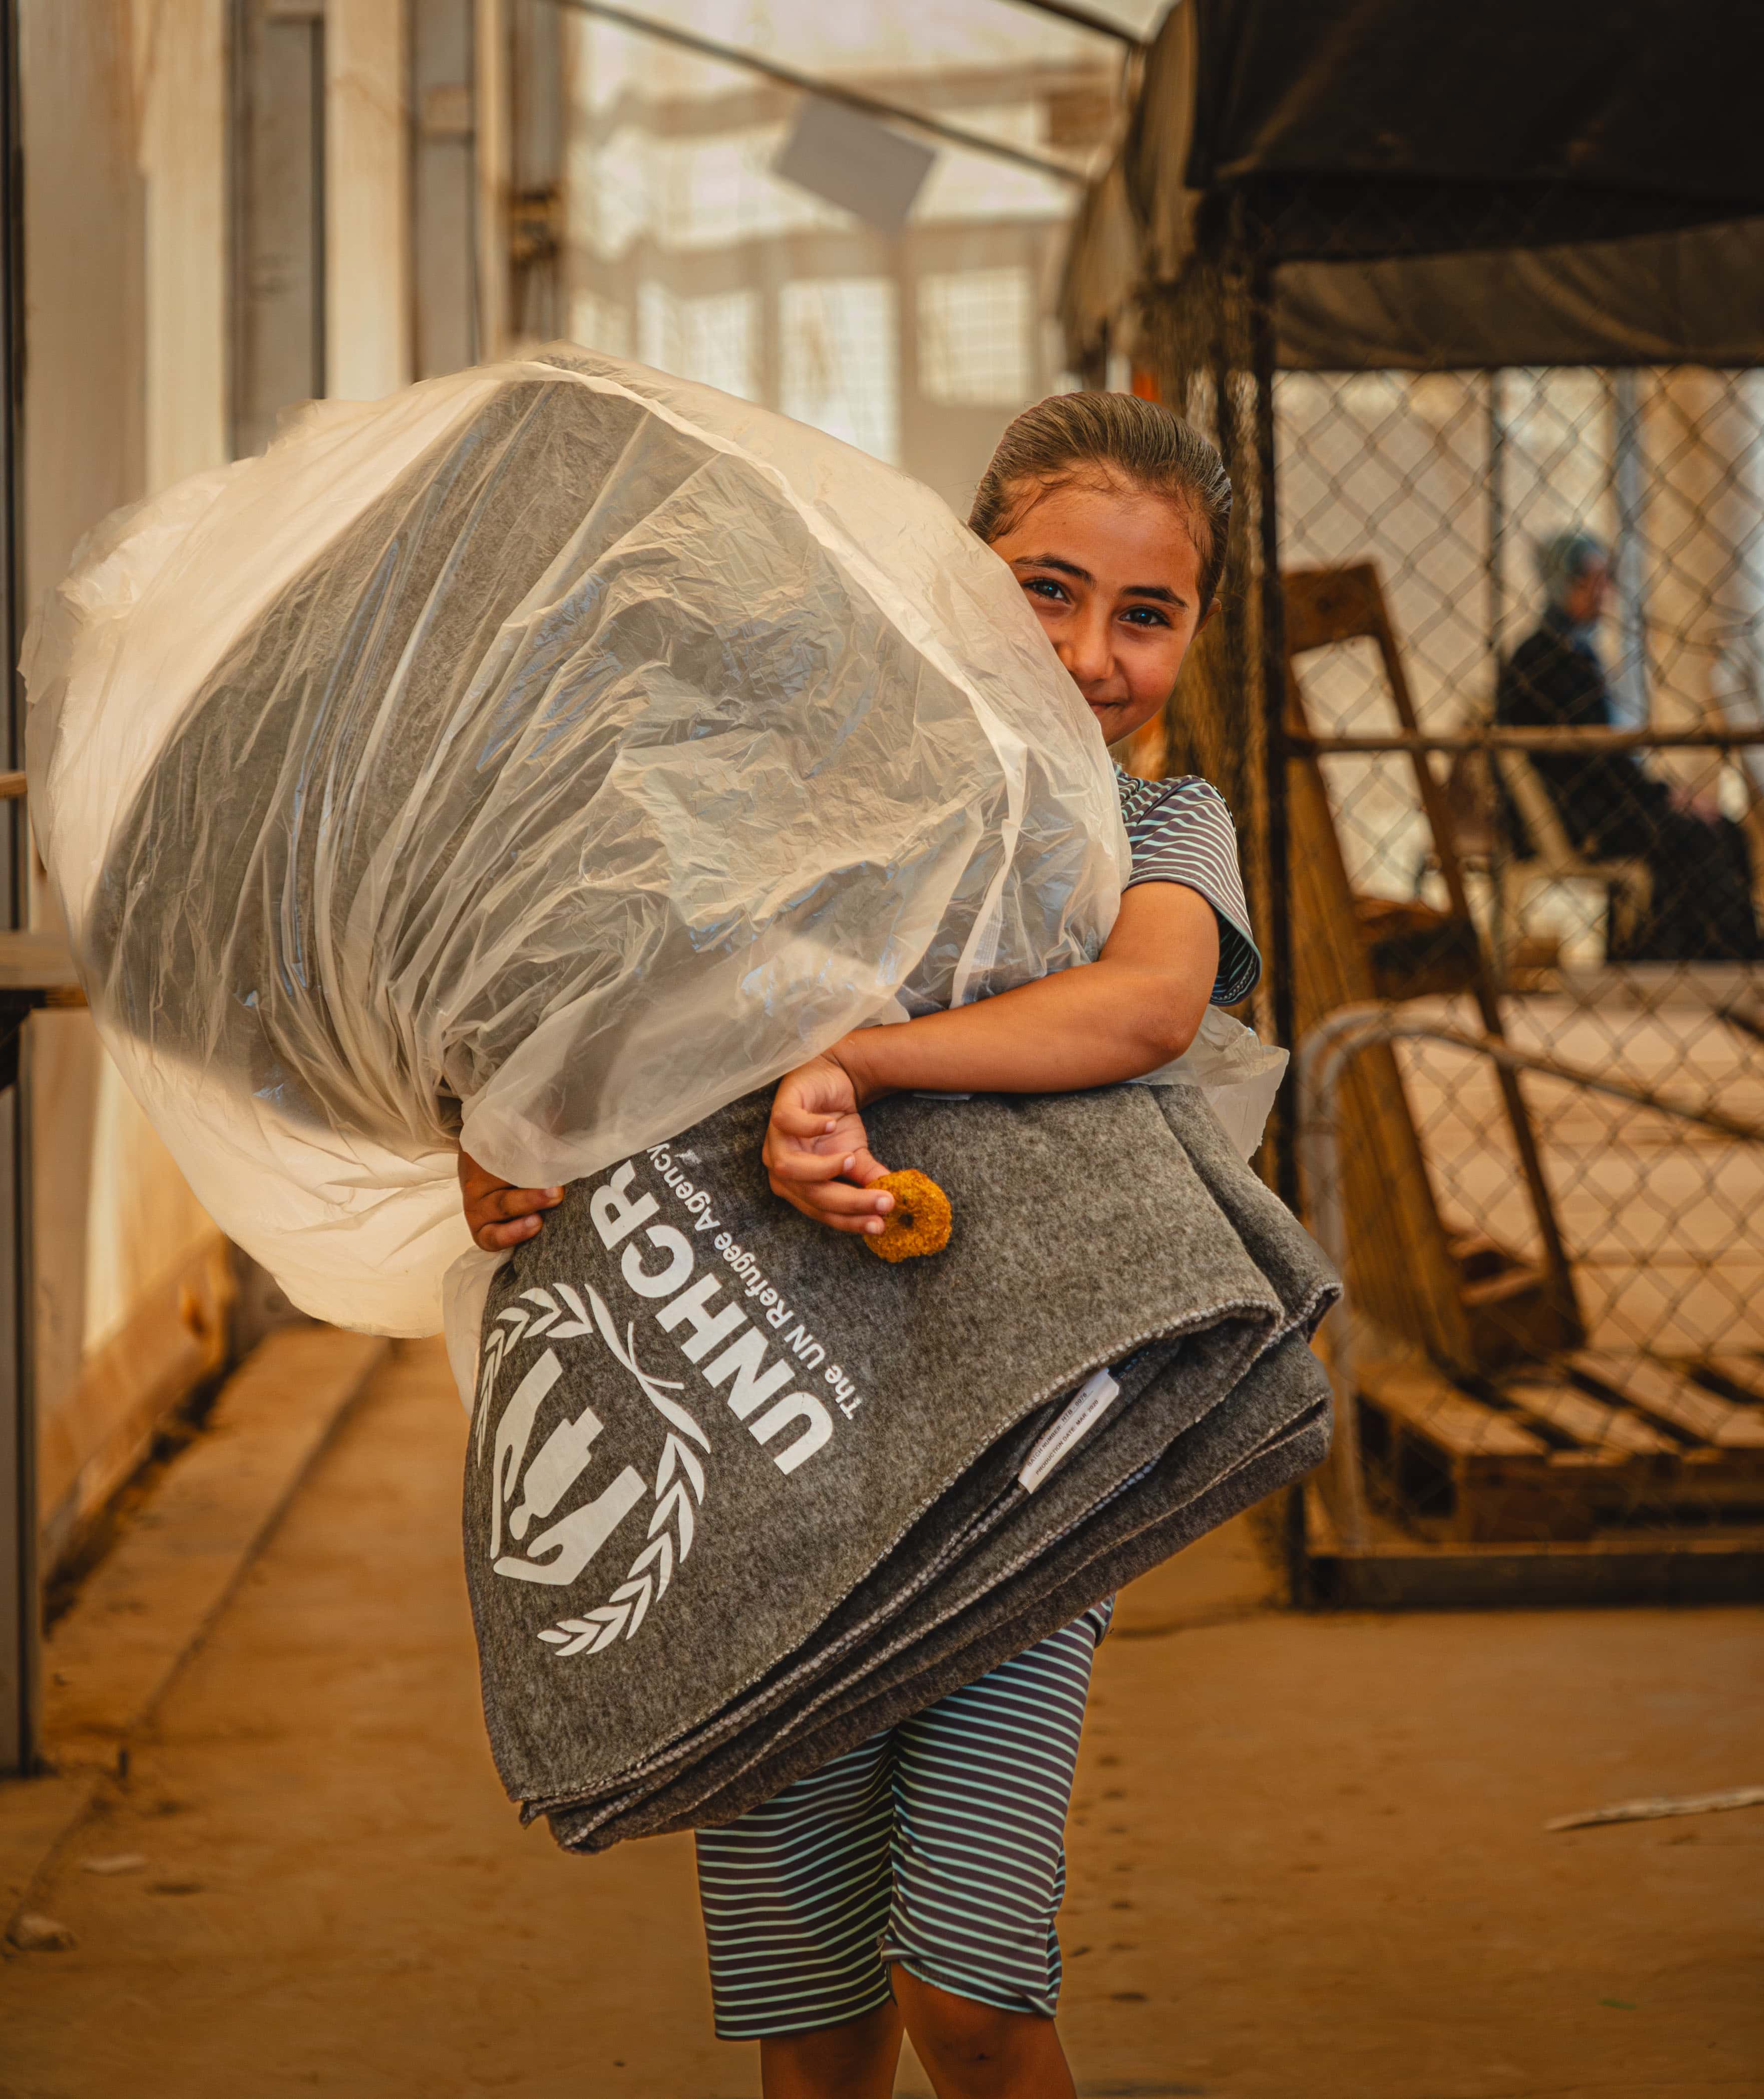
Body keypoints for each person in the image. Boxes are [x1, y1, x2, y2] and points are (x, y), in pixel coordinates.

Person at [460, 393, 1259, 2099]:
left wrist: (855, 1057)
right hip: (771, 1446)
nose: (1092, 651)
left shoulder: (1165, 835)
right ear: (958, 573)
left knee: (968, 1999)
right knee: (812, 2021)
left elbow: (1143, 1005)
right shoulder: (801, 813)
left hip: (1032, 1453)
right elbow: (600, 982)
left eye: (1146, 612)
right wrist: (499, 1126)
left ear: (1195, 634)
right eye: (1046, 586)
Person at [1492, 532, 1762, 962]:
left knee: (1724, 830)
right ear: (1565, 583)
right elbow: (1597, 763)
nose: (1605, 594)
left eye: (1606, 580)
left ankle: (1725, 952)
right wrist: (1665, 798)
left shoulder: (1570, 652)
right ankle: (1708, 957)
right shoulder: (1546, 659)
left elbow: (1607, 761)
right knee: (1698, 836)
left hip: (1601, 803)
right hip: (1582, 816)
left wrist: (1664, 796)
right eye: (1593, 581)